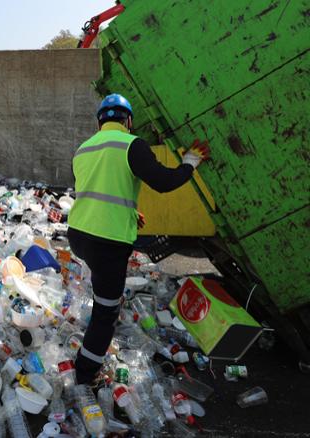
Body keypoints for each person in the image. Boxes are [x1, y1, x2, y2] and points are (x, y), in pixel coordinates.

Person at [68, 94, 210, 384]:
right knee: (106, 312)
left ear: (100, 122)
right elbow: (164, 182)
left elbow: (98, 192)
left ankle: (97, 313)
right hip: (106, 243)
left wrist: (130, 213)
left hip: (79, 236)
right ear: (128, 121)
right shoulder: (132, 144)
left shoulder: (83, 149)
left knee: (101, 286)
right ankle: (85, 374)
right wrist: (190, 163)